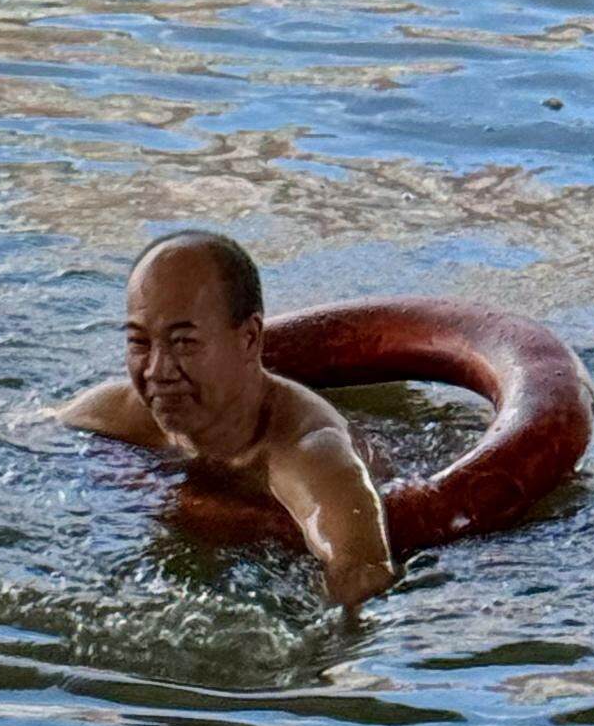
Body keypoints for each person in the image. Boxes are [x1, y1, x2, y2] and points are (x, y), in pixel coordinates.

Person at [62, 229, 394, 609]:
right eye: (140, 342)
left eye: (184, 342)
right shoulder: (122, 412)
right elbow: (8, 434)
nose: (157, 371)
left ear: (250, 338)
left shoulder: (307, 449)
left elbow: (361, 570)